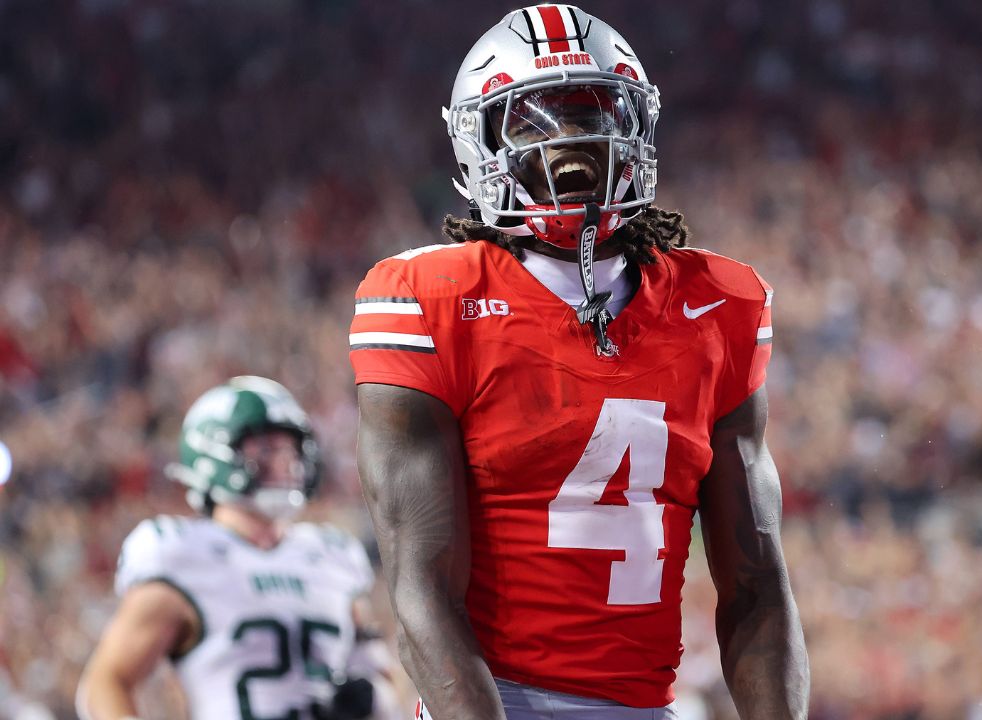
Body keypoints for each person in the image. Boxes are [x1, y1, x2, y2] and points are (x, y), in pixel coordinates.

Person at [349, 5, 809, 719]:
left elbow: (756, 587)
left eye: (593, 111)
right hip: (493, 701)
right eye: (534, 121)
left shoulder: (720, 303)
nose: (571, 141)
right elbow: (421, 594)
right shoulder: (430, 299)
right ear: (480, 142)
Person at [78, 376, 399, 720]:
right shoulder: (182, 552)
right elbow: (105, 683)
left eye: (289, 448)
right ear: (212, 454)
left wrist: (370, 696)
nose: (284, 462)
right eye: (266, 449)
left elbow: (383, 680)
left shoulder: (331, 554)